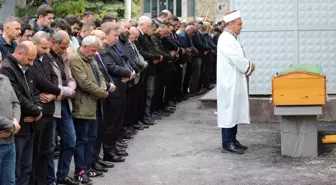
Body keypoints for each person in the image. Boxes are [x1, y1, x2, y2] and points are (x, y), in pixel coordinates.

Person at [1, 41, 43, 185]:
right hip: (18, 127)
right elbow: (19, 98)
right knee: (15, 170)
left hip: (27, 125)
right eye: (29, 59)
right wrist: (35, 111)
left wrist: (38, 110)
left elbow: (33, 92)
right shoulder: (8, 69)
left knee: (26, 167)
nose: (31, 63)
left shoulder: (25, 68)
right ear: (19, 52)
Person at [70, 35, 109, 183]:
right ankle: (80, 170)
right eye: (93, 50)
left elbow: (101, 76)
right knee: (82, 139)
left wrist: (102, 89)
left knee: (92, 138)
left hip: (95, 103)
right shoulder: (75, 59)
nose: (95, 54)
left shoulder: (91, 58)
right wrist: (102, 92)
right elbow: (84, 83)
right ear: (84, 47)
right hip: (83, 106)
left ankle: (87, 167)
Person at [217, 10, 255, 154]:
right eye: (239, 24)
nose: (241, 27)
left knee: (234, 110)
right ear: (230, 24)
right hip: (229, 81)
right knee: (229, 111)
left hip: (234, 80)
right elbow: (235, 58)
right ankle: (227, 142)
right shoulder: (225, 38)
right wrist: (249, 66)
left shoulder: (232, 37)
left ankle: (233, 139)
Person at [46, 30, 79, 185]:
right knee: (50, 146)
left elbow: (71, 79)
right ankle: (50, 179)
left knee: (71, 140)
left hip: (65, 103)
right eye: (63, 47)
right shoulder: (46, 58)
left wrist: (68, 90)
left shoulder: (64, 57)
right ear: (53, 43)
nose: (65, 50)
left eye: (66, 47)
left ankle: (62, 175)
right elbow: (51, 85)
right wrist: (67, 91)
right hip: (52, 106)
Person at [30, 31, 62, 185]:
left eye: (48, 47)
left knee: (47, 149)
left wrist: (54, 94)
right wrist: (57, 91)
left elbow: (54, 76)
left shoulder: (46, 57)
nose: (46, 51)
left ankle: (44, 181)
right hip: (39, 109)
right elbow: (40, 81)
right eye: (43, 47)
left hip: (50, 107)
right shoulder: (31, 60)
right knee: (36, 150)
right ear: (34, 44)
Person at [0, 51, 21, 185]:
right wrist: (12, 126)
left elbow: (16, 103)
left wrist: (15, 123)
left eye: (0, 61)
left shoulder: (4, 79)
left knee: (9, 181)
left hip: (10, 142)